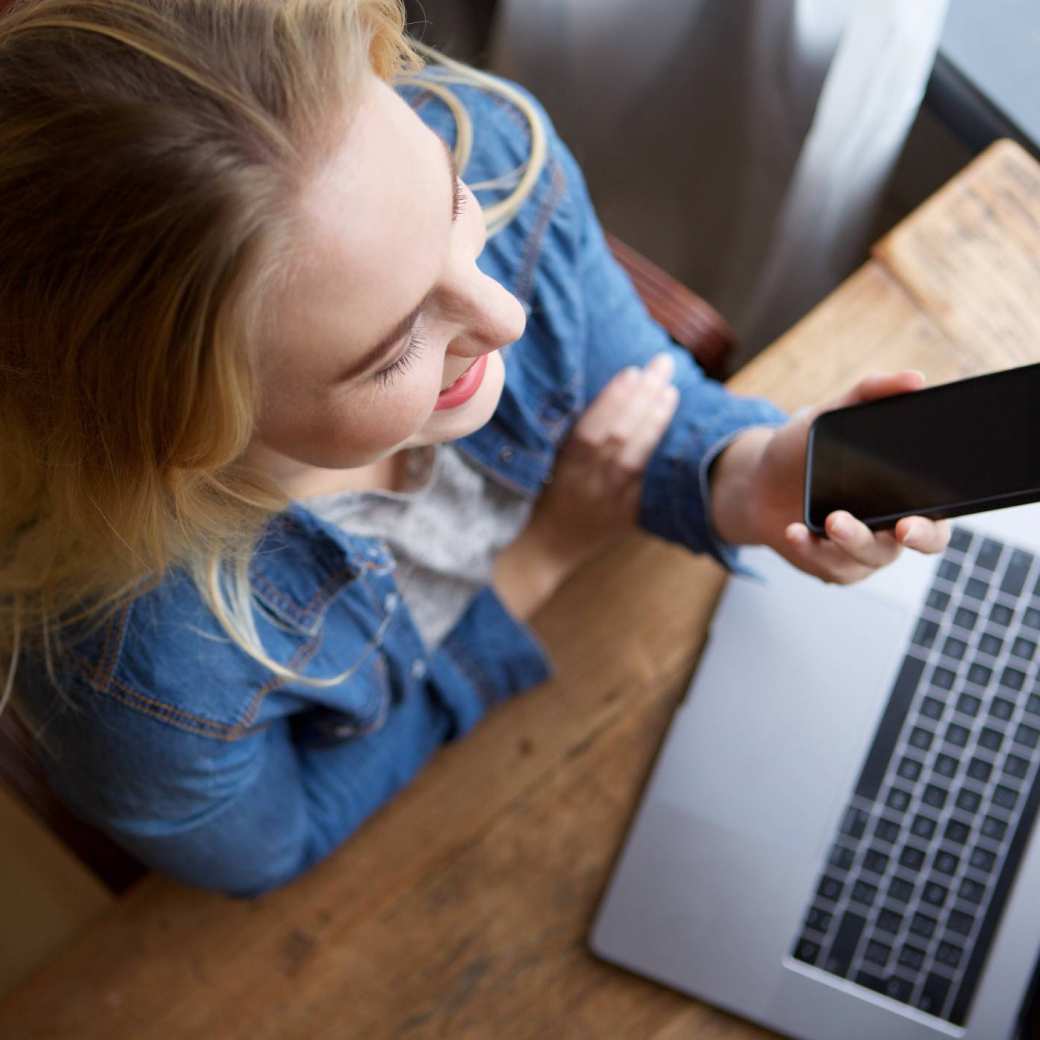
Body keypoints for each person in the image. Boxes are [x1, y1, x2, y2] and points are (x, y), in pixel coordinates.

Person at [0, 0, 948, 897]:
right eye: (390, 348)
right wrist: (539, 564)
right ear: (184, 430)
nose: (504, 312)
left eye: (454, 209)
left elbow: (636, 397)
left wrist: (749, 475)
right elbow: (272, 844)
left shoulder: (487, 142)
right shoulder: (139, 669)